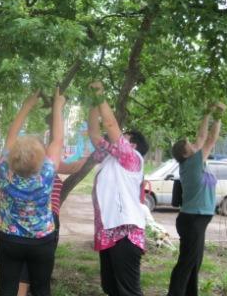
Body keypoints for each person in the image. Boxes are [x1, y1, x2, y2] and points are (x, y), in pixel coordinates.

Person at [0, 87, 65, 296]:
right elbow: (58, 140)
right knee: (42, 288)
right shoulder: (47, 171)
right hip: (42, 240)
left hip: (9, 238)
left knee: (7, 287)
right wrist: (58, 107)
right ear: (41, 157)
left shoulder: (4, 168)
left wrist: (26, 106)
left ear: (12, 156)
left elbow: (11, 134)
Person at [87, 81, 149, 296]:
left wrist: (100, 93)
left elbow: (111, 126)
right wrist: (95, 101)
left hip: (125, 233)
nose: (117, 141)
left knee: (128, 291)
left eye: (125, 139)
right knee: (111, 287)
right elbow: (95, 134)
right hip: (108, 233)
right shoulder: (111, 158)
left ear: (133, 146)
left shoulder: (132, 159)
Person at [168, 103, 226, 296]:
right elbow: (208, 139)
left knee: (195, 261)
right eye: (190, 145)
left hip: (195, 219)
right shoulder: (192, 164)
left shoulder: (192, 162)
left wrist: (206, 112)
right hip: (193, 220)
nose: (194, 145)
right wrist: (217, 115)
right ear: (186, 153)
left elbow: (201, 138)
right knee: (186, 263)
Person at [17, 158, 87, 296]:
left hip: (25, 218)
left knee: (24, 263)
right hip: (46, 218)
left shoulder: (20, 164)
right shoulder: (45, 164)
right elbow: (73, 167)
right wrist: (90, 152)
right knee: (40, 265)